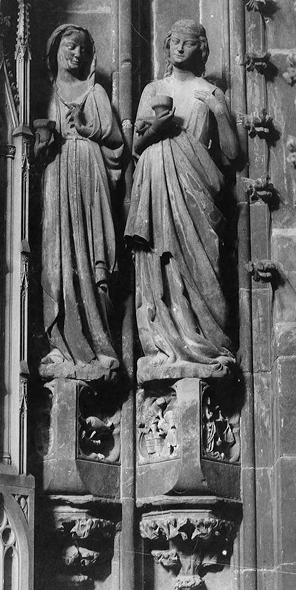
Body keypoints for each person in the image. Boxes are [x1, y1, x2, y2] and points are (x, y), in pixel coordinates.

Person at [125, 19, 240, 381]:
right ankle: (165, 345)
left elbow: (231, 156)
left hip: (197, 189)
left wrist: (219, 112)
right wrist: (157, 129)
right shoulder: (153, 89)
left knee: (201, 262)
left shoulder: (211, 93)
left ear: (200, 50)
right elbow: (136, 146)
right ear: (167, 45)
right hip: (157, 181)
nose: (180, 48)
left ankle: (205, 343)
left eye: (189, 43)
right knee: (160, 261)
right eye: (175, 41)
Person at [35, 24, 123, 381]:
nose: (77, 54)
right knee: (56, 263)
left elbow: (116, 141)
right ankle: (58, 344)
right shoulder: (45, 93)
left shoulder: (95, 92)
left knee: (89, 259)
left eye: (84, 50)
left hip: (89, 178)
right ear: (56, 49)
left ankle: (98, 345)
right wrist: (43, 145)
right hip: (56, 180)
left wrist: (88, 131)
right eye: (71, 47)